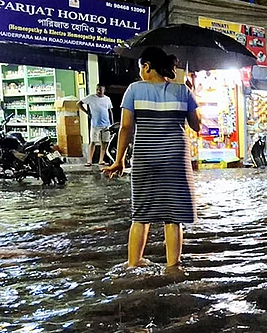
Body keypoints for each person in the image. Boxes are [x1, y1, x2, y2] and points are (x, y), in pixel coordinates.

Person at [103, 47, 200, 270]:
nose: (140, 74)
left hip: (145, 157)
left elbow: (126, 127)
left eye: (141, 69)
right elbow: (197, 126)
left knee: (141, 215)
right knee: (173, 218)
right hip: (175, 158)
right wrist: (192, 95)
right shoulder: (182, 91)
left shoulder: (134, 90)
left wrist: (119, 160)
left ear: (146, 67)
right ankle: (172, 267)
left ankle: (134, 263)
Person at [79, 84, 114, 167]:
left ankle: (101, 160)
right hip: (95, 124)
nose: (99, 91)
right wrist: (87, 112)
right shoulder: (91, 98)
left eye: (100, 89)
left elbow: (110, 111)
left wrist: (112, 123)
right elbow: (79, 103)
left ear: (104, 90)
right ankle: (89, 160)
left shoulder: (107, 99)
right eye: (97, 89)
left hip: (106, 124)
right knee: (93, 142)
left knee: (105, 142)